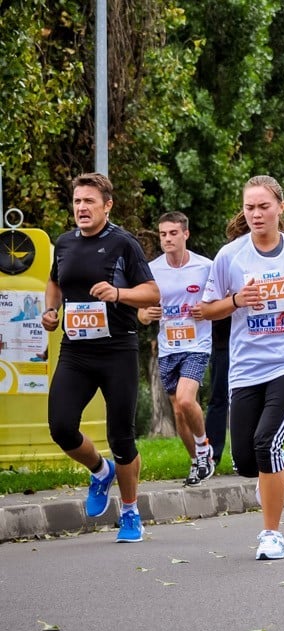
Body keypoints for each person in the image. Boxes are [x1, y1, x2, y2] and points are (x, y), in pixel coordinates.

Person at [201, 175, 284, 561]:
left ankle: (271, 535)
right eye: (249, 207)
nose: (256, 214)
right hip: (246, 367)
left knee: (266, 443)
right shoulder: (231, 256)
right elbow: (207, 309)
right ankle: (270, 472)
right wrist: (238, 299)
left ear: (280, 208)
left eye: (263, 206)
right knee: (245, 460)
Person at [41, 172, 160, 543]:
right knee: (61, 427)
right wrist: (50, 311)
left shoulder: (124, 243)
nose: (81, 208)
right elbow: (55, 281)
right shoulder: (64, 244)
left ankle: (129, 512)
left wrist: (118, 294)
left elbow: (153, 293)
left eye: (89, 201)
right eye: (77, 201)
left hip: (117, 350)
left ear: (107, 205)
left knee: (122, 438)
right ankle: (99, 470)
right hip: (76, 350)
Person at [137, 211, 215, 486]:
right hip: (168, 347)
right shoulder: (152, 269)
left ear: (186, 234)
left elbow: (223, 302)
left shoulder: (206, 266)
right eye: (163, 234)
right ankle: (196, 461)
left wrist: (207, 310)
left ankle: (205, 448)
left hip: (197, 344)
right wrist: (147, 315)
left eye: (173, 233)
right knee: (179, 411)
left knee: (185, 399)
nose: (167, 239)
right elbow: (141, 313)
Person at [205, 317, 231, 467]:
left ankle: (259, 451)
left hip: (253, 343)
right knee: (218, 398)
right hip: (222, 343)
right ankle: (212, 456)